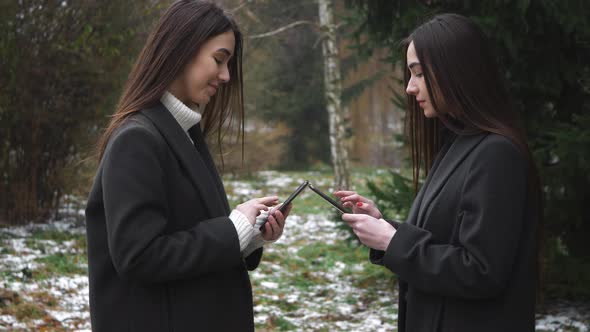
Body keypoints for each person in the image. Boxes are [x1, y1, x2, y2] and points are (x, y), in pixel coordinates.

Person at [84, 1, 290, 331]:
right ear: (181, 49)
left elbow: (189, 231)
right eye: (219, 59)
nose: (225, 76)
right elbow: (139, 255)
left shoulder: (183, 133)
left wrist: (249, 236)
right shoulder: (136, 140)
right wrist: (232, 229)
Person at [335, 13, 541, 332]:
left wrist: (394, 242)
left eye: (418, 73)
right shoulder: (460, 143)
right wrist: (384, 227)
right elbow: (446, 239)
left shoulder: (497, 154)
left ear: (454, 71)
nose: (409, 87)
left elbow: (482, 271)